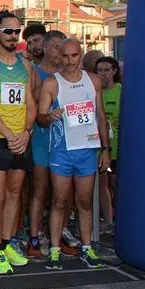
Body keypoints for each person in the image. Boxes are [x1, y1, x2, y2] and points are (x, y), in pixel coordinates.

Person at [38, 39, 110, 270]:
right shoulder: (51, 83)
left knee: (84, 201)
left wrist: (105, 150)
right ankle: (55, 249)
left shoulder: (94, 80)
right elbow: (40, 117)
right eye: (66, 56)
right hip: (62, 151)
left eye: (74, 56)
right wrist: (50, 117)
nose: (70, 61)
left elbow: (100, 115)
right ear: (59, 57)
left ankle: (87, 247)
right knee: (59, 201)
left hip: (87, 150)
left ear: (81, 55)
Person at [0, 11, 35, 274]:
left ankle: (9, 242)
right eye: (9, 31)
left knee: (14, 193)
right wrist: (9, 134)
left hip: (20, 138)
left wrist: (25, 132)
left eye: (17, 32)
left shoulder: (26, 65)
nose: (14, 36)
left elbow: (30, 103)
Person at [26, 30, 66, 258]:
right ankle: (33, 236)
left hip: (66, 141)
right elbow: (30, 103)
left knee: (63, 193)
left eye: (63, 48)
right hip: (41, 138)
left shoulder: (72, 75)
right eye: (56, 47)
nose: (60, 53)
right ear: (48, 48)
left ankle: (57, 237)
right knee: (39, 190)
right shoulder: (34, 72)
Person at [96, 56, 121, 234]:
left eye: (106, 70)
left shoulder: (122, 91)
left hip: (119, 145)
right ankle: (109, 220)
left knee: (117, 184)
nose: (103, 74)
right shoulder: (95, 92)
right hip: (100, 146)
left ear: (114, 71)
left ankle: (122, 218)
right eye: (100, 70)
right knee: (102, 185)